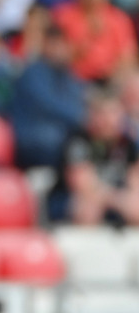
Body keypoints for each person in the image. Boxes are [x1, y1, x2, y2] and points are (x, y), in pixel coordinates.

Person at [48, 89, 139, 225]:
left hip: (112, 199)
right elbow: (83, 185)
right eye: (102, 113)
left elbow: (135, 182)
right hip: (70, 199)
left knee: (135, 206)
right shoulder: (78, 140)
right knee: (88, 208)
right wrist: (117, 199)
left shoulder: (128, 142)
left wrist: (125, 201)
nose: (108, 120)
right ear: (92, 116)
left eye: (113, 113)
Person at [9, 22, 86, 169]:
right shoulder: (33, 72)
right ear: (46, 44)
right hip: (32, 139)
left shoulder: (66, 73)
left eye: (65, 45)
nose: (63, 50)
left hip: (56, 134)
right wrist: (82, 117)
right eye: (57, 44)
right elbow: (48, 103)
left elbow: (78, 97)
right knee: (57, 139)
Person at [52, 0, 137, 85]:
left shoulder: (119, 18)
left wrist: (110, 70)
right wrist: (87, 41)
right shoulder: (62, 16)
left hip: (111, 80)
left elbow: (128, 57)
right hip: (74, 81)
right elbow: (56, 57)